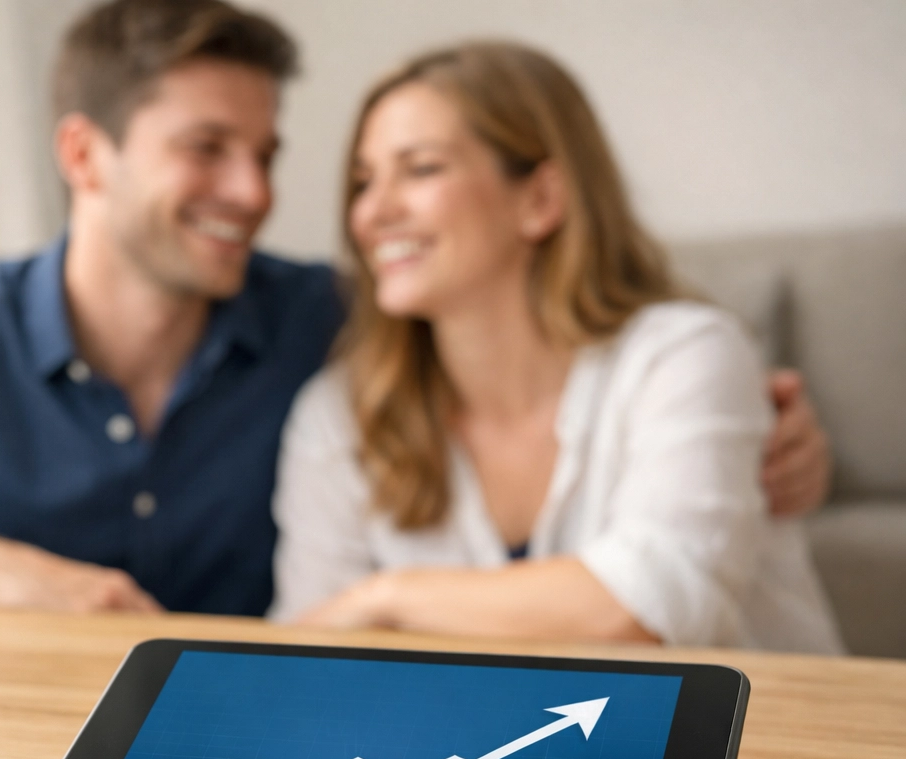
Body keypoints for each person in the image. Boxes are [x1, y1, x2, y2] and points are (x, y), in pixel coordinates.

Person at [0, 0, 832, 621]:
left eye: (268, 154)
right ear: (84, 154)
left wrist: (761, 433)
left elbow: (575, 333)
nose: (256, 194)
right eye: (208, 149)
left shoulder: (340, 324)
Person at [270, 42, 842, 653]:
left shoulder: (684, 355)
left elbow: (643, 610)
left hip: (762, 737)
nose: (373, 212)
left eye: (422, 169)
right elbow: (308, 650)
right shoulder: (338, 416)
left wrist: (383, 598)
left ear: (540, 200)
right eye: (362, 181)